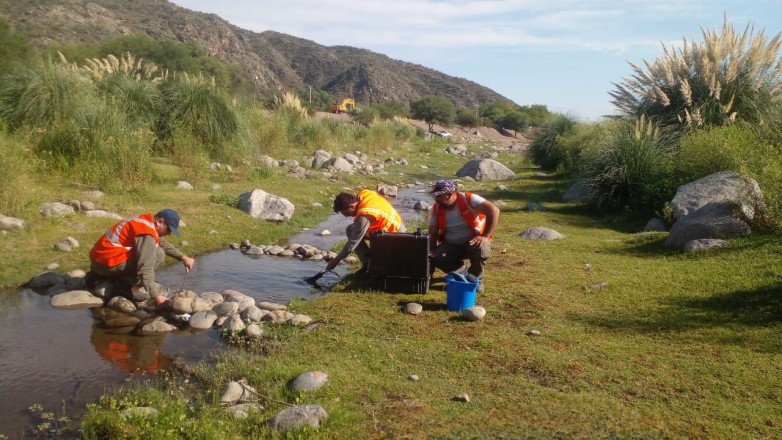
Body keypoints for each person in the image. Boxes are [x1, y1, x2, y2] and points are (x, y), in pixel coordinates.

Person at [88, 209, 194, 307]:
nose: (169, 234)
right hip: (106, 265)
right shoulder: (147, 233)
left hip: (99, 262)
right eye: (168, 230)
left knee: (156, 250)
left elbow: (161, 242)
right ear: (160, 221)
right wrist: (157, 297)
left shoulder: (145, 222)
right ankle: (128, 286)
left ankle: (99, 277)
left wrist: (183, 257)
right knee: (158, 253)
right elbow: (145, 268)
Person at [428, 179, 499, 282]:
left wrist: (485, 236)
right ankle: (463, 273)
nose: (435, 199)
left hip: (474, 240)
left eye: (438, 196)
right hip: (451, 244)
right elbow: (432, 232)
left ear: (448, 195)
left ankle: (476, 280)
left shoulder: (469, 199)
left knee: (481, 249)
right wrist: (430, 255)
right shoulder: (435, 209)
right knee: (435, 257)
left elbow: (494, 210)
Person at [324, 189, 405, 273]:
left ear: (351, 206)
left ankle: (370, 267)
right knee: (350, 229)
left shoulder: (365, 214)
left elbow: (353, 242)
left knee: (354, 235)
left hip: (395, 235)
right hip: (387, 228)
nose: (347, 216)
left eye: (346, 214)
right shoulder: (363, 194)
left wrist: (336, 261)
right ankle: (368, 263)